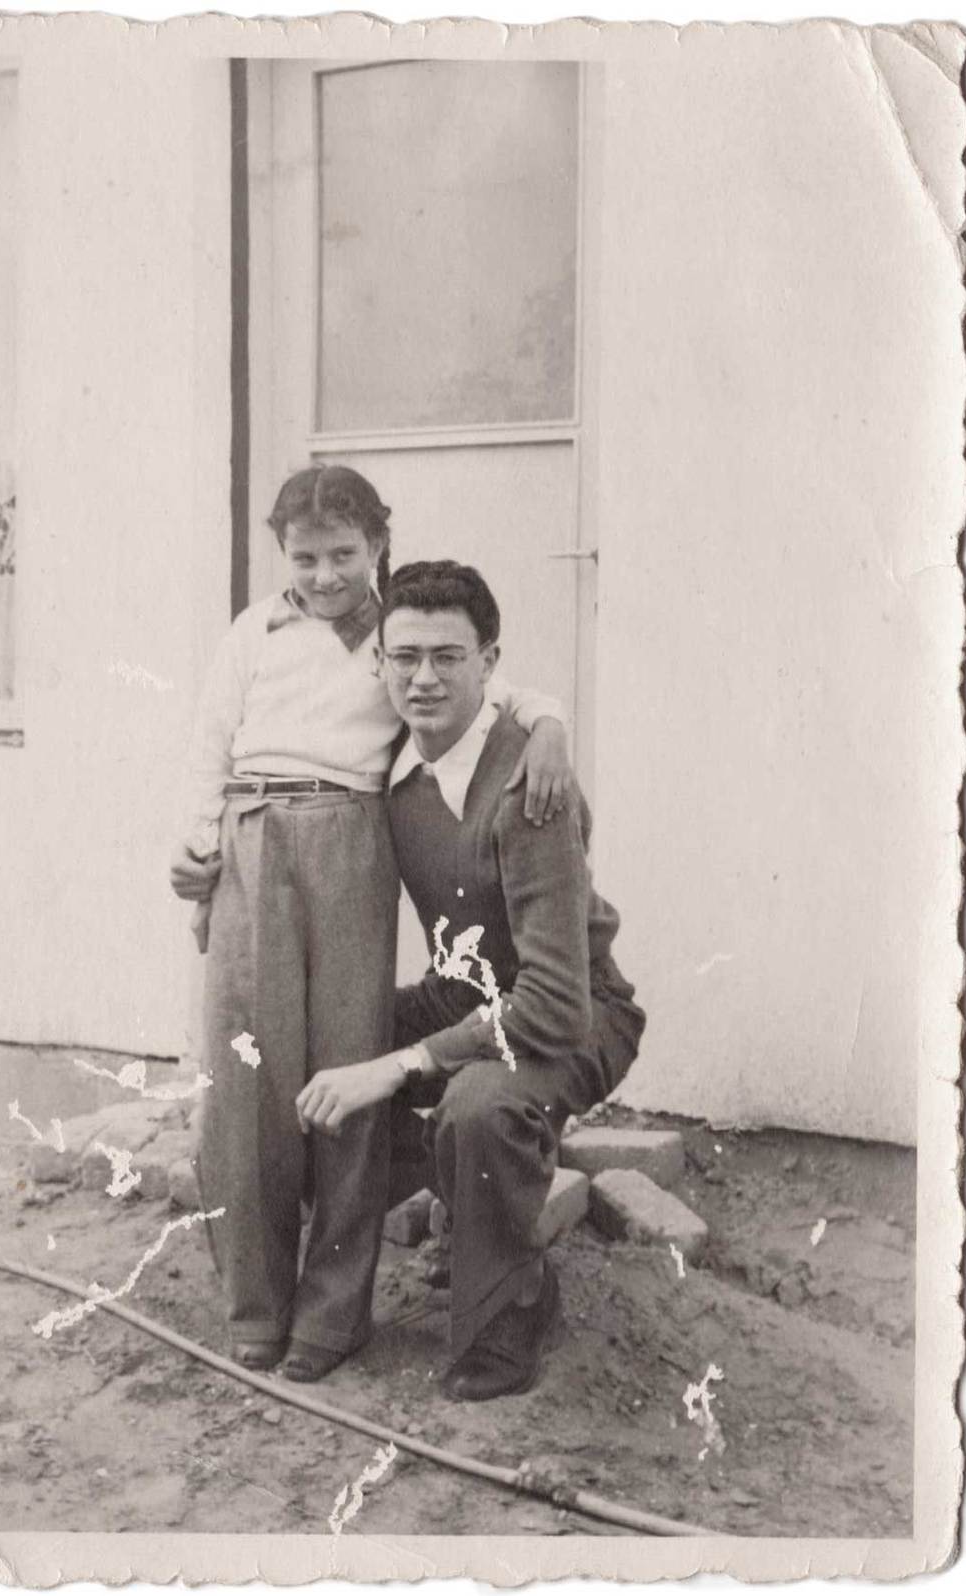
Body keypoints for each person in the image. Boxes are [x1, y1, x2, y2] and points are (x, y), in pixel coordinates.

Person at [170, 467, 577, 1384]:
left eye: (344, 555)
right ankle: (255, 1306)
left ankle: (332, 1313)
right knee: (249, 1082)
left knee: (342, 1064)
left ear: (379, 546)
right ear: (283, 554)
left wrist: (553, 723)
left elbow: (507, 692)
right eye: (305, 557)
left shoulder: (398, 634)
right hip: (251, 837)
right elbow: (207, 744)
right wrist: (199, 863)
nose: (324, 576)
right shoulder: (256, 632)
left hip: (353, 838)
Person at [295, 559, 646, 1401]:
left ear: (490, 662)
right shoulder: (386, 763)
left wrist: (398, 1065)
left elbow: (555, 1003)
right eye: (404, 656)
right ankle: (452, 1203)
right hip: (469, 993)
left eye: (448, 657)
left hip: (576, 1011)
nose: (423, 677)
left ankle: (512, 1303)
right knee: (317, 1034)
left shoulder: (532, 784)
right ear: (378, 663)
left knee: (478, 1103)